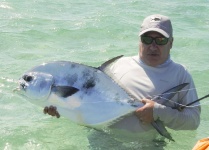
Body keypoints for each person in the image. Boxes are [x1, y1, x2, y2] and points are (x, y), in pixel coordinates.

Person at [44, 14, 200, 139]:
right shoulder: (117, 65)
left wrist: (158, 112)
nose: (153, 46)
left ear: (171, 43)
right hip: (103, 140)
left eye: (160, 40)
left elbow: (193, 121)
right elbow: (88, 102)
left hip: (146, 146)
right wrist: (61, 107)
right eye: (147, 39)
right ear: (139, 41)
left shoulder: (181, 74)